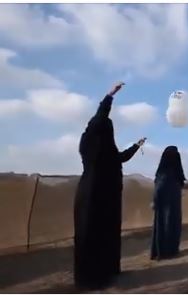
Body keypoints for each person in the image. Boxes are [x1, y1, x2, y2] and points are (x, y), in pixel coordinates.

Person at [74, 82, 146, 290]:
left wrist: (109, 96)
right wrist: (109, 97)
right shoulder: (107, 150)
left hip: (86, 195)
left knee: (87, 235)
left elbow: (98, 121)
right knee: (104, 235)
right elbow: (121, 157)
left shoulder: (87, 144)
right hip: (105, 198)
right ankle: (101, 274)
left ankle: (89, 277)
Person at [151, 146, 186, 260]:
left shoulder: (163, 172)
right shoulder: (177, 175)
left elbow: (158, 188)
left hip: (162, 207)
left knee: (162, 226)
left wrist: (154, 201)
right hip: (173, 207)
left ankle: (162, 251)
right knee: (173, 226)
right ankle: (171, 250)